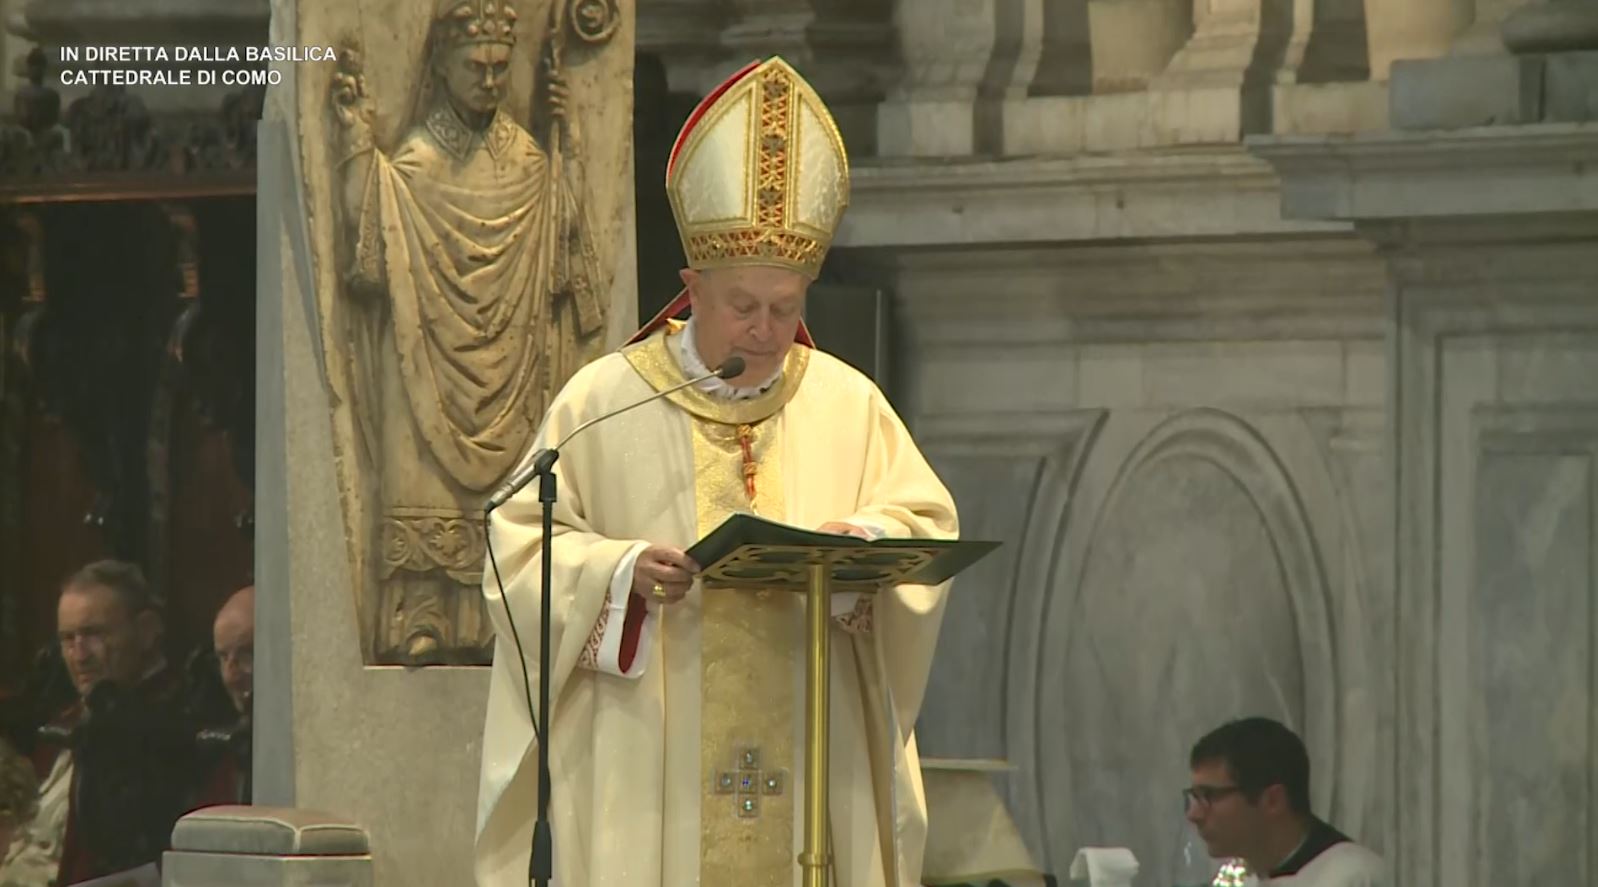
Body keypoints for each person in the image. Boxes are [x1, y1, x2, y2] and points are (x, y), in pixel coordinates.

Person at [474, 56, 960, 887]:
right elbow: (518, 544)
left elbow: (923, 525)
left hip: (813, 754)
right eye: (744, 306)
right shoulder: (606, 400)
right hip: (649, 769)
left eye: (786, 305)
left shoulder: (848, 403)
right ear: (692, 286)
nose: (768, 330)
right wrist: (620, 572)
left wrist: (859, 550)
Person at [1185, 718, 1384, 885]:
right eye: (1194, 797)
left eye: (1208, 796)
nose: (1193, 815)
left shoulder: (1353, 878)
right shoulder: (1242, 879)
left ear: (1273, 800)